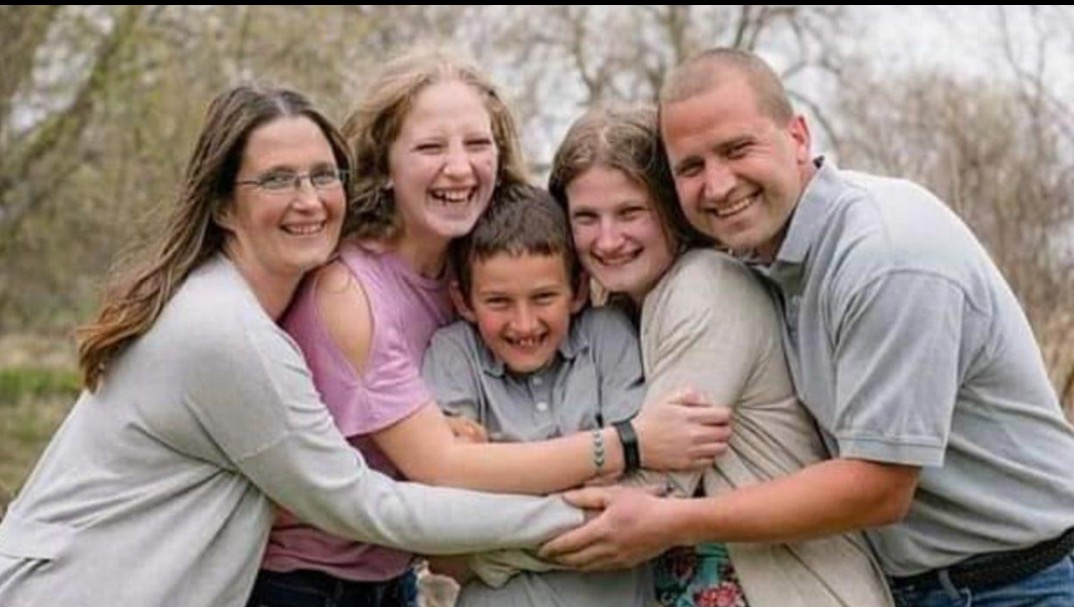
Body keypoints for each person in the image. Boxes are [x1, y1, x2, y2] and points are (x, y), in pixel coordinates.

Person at [0, 83, 594, 607]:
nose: (309, 200)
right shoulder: (223, 330)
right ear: (223, 204)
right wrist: (575, 514)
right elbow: (362, 504)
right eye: (277, 179)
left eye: (322, 175)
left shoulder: (272, 302)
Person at [541, 48, 1074, 607]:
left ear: (797, 136)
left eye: (737, 149)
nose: (718, 186)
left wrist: (673, 521)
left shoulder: (885, 257)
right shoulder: (762, 256)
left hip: (1017, 584)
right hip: (922, 585)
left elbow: (879, 488)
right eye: (691, 168)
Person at [250, 49, 730, 607]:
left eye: (477, 144)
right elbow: (444, 468)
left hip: (391, 576)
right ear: (384, 164)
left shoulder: (468, 274)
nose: (459, 168)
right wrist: (630, 440)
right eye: (431, 147)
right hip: (310, 581)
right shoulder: (350, 292)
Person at [545, 104, 892, 607]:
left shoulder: (705, 288)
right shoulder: (621, 315)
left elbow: (647, 491)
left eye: (631, 212)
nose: (609, 239)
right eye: (586, 218)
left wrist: (467, 505)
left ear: (671, 208)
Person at [420, 183, 654, 607]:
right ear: (464, 300)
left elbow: (640, 493)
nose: (524, 324)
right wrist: (589, 477)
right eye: (499, 302)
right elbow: (447, 518)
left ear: (578, 290)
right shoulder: (453, 352)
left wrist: (493, 547)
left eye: (544, 297)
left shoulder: (606, 337)